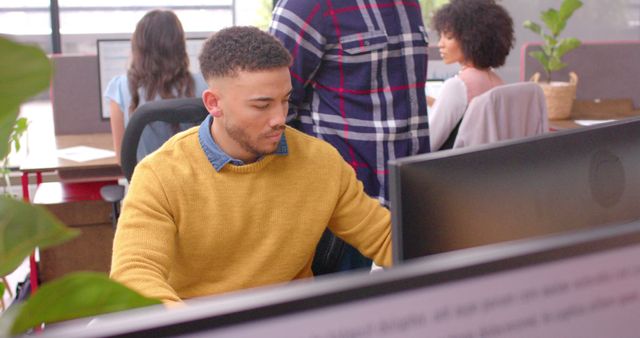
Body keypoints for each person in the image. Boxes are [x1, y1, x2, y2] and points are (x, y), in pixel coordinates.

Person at [109, 26, 392, 304]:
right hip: (200, 325)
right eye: (262, 105)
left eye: (285, 100)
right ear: (213, 103)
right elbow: (134, 277)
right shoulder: (160, 175)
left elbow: (385, 237)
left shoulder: (321, 162)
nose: (279, 118)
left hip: (292, 321)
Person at [269, 0, 429, 272]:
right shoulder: (307, 6)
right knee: (335, 311)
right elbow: (272, 107)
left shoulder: (409, 4)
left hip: (409, 201)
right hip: (343, 210)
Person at [104, 9, 208, 162]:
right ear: (180, 46)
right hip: (193, 184)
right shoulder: (205, 86)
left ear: (138, 46)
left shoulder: (119, 88)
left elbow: (122, 158)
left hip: (144, 185)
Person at [427, 0, 514, 151]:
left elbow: (427, 144)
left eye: (448, 37)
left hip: (450, 170)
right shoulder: (496, 79)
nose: (440, 43)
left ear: (470, 39)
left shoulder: (457, 86)